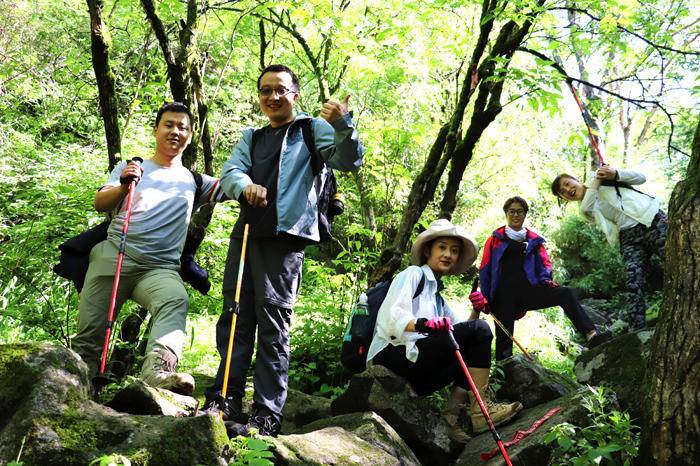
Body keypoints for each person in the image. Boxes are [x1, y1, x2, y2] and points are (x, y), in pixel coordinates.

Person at [205, 64, 364, 436]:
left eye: (280, 90)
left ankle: (266, 412)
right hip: (245, 235)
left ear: (294, 94)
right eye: (265, 91)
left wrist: (343, 124)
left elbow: (348, 160)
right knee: (235, 317)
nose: (272, 97)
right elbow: (230, 173)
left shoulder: (313, 129)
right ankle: (224, 398)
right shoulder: (253, 137)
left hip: (286, 238)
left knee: (273, 324)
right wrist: (245, 184)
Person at [72, 102, 225, 395]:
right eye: (169, 125)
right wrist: (124, 184)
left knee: (175, 300)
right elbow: (101, 202)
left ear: (191, 136)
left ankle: (159, 372)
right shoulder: (132, 168)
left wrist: (256, 182)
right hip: (115, 256)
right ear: (156, 130)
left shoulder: (195, 181)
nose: (175, 131)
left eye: (183, 127)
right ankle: (79, 386)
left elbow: (233, 187)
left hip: (160, 269)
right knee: (90, 334)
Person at [367, 219, 523, 441]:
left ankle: (451, 419)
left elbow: (464, 332)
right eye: (442, 247)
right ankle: (481, 410)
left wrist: (476, 310)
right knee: (477, 331)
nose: (448, 254)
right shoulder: (413, 274)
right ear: (428, 250)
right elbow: (391, 316)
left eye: (454, 250)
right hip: (390, 355)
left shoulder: (438, 299)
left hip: (417, 364)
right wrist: (423, 324)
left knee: (470, 346)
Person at [471, 196, 610, 362]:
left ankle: (591, 334)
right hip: (503, 296)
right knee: (504, 339)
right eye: (512, 211)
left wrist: (546, 281)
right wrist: (486, 298)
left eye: (520, 211)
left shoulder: (534, 241)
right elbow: (485, 268)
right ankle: (502, 378)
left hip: (529, 291)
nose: (515, 215)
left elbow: (545, 264)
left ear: (525, 214)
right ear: (506, 213)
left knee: (565, 293)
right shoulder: (495, 239)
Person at [551, 167, 667, 329]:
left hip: (651, 219)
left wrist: (616, 174)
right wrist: (597, 180)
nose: (568, 190)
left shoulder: (606, 178)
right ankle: (637, 331)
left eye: (568, 184)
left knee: (676, 260)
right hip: (629, 237)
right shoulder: (585, 209)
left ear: (576, 179)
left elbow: (641, 177)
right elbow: (586, 206)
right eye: (563, 192)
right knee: (634, 281)